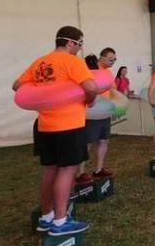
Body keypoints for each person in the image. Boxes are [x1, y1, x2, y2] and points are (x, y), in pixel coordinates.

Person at [15, 26, 98, 235]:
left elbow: (17, 86)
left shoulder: (40, 62)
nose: (80, 49)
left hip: (45, 125)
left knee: (50, 170)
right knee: (68, 170)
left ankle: (46, 216)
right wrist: (90, 100)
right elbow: (91, 87)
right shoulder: (72, 62)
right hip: (69, 125)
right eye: (79, 44)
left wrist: (46, 93)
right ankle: (61, 221)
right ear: (70, 42)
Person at [77, 47, 118, 183]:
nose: (113, 61)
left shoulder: (108, 73)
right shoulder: (89, 69)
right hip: (91, 112)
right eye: (110, 59)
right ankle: (80, 173)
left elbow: (113, 89)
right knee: (87, 143)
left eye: (114, 59)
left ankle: (98, 170)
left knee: (103, 140)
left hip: (104, 112)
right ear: (102, 57)